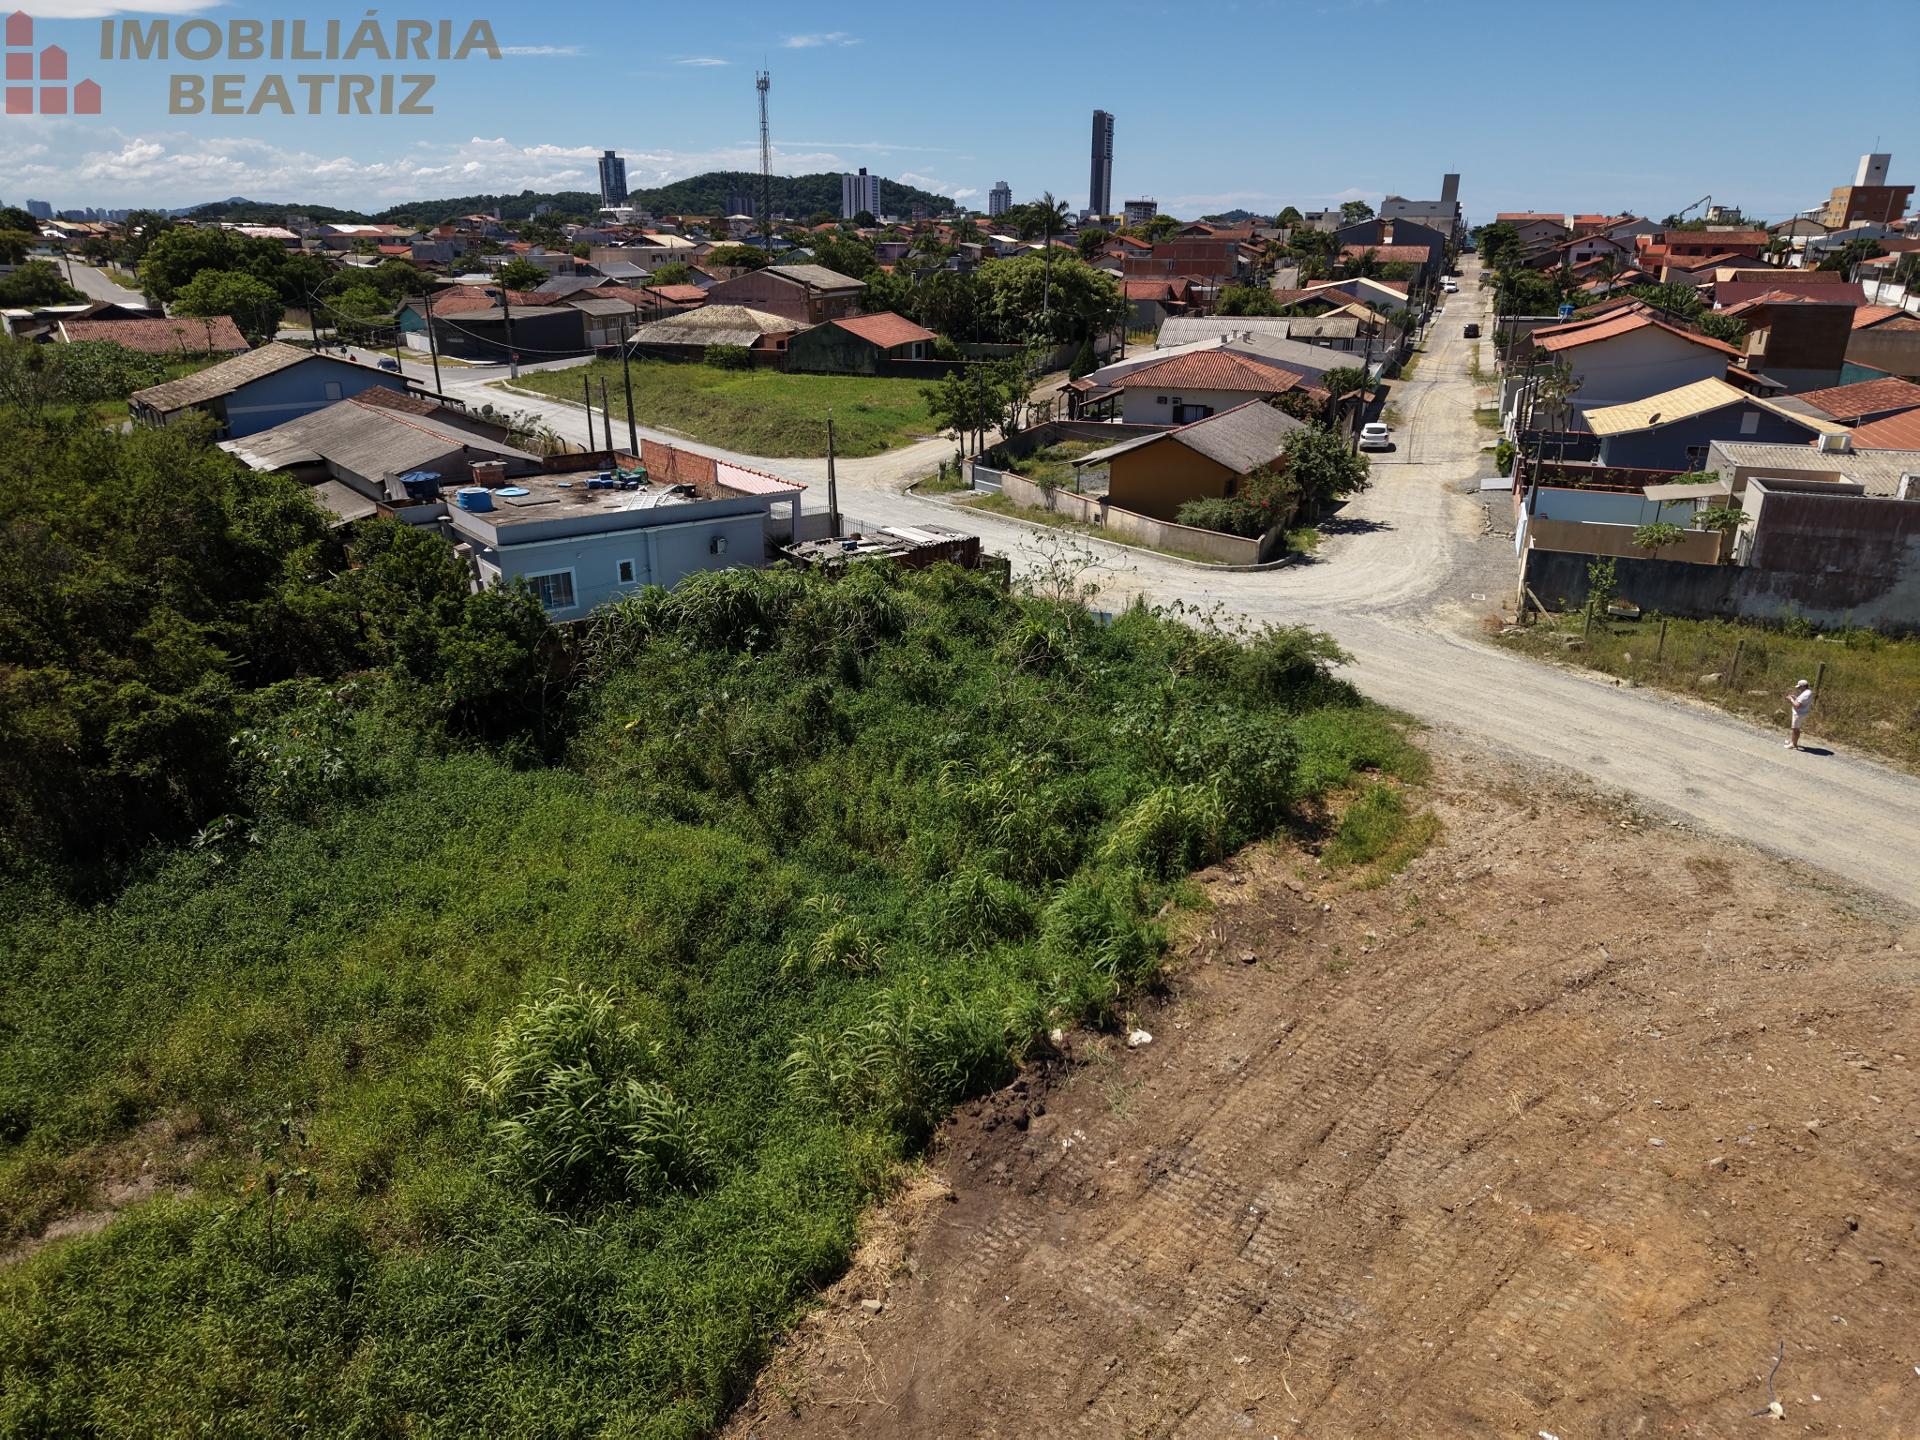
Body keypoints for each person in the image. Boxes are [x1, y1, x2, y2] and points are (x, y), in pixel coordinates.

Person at [1785, 678, 1815, 750]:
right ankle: (1793, 741)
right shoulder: (1809, 692)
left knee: (1795, 729)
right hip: (1802, 713)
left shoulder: (1805, 694)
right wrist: (1796, 698)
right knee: (1796, 728)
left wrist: (1791, 699)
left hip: (1798, 714)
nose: (1799, 689)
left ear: (1803, 686)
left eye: (1799, 687)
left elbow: (1797, 705)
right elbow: (1802, 702)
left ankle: (1793, 744)